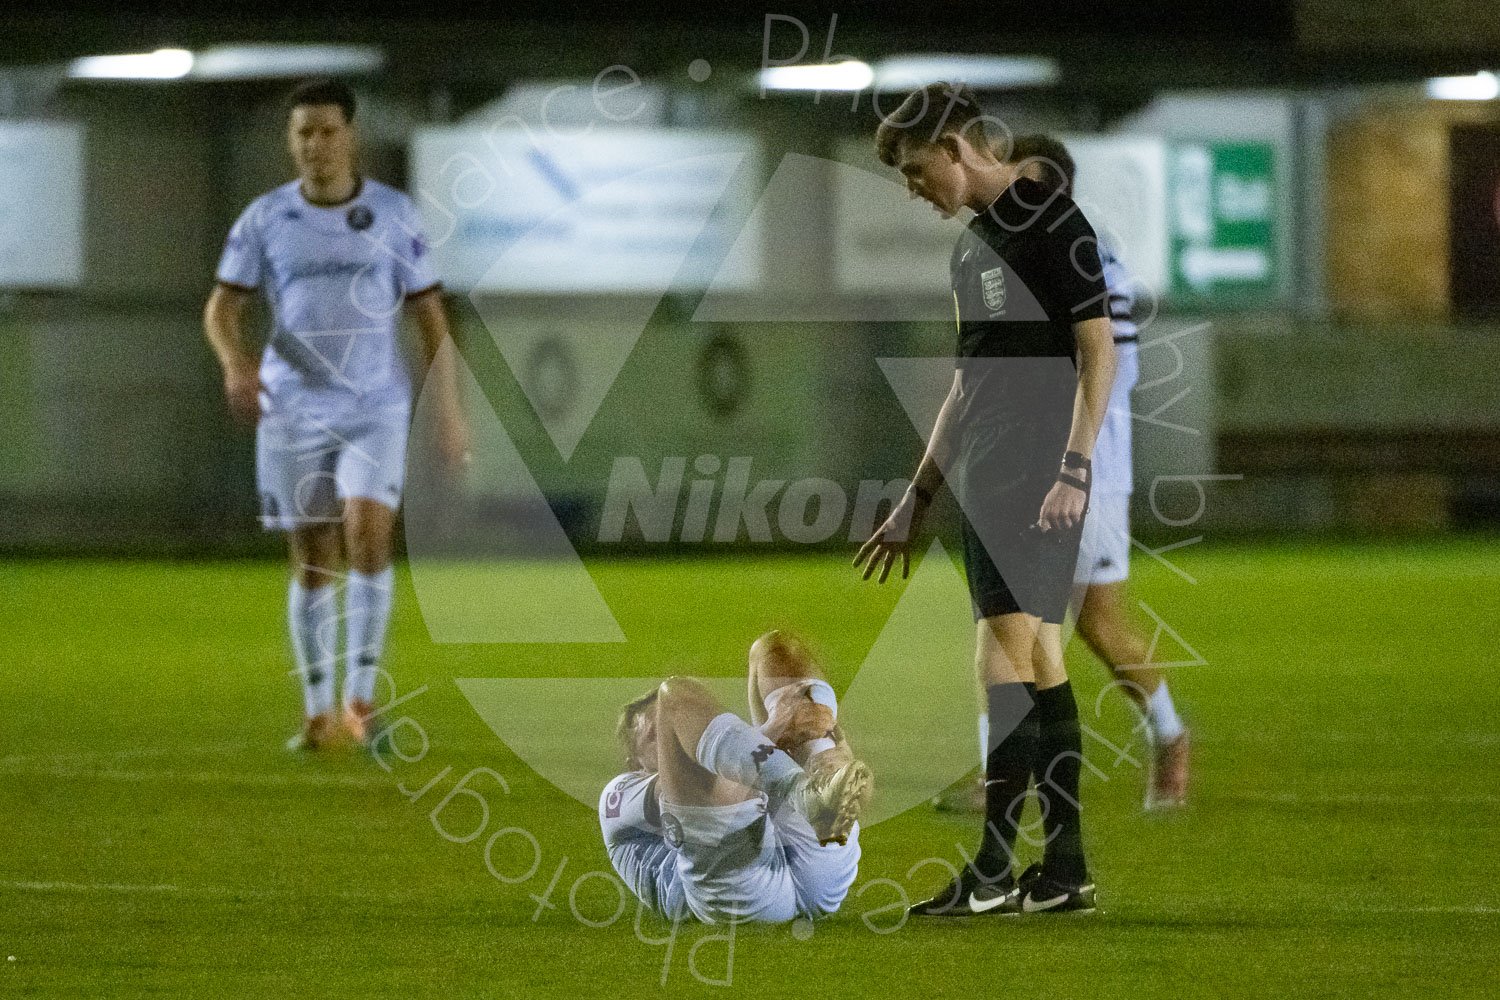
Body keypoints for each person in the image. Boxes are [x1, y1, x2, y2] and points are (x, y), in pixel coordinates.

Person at [856, 84, 1116, 916]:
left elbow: (1097, 349)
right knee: (1035, 657)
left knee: (1004, 659)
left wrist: (1074, 467)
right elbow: (965, 389)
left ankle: (998, 870)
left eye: (915, 169)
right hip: (992, 474)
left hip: (1037, 470)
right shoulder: (972, 250)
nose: (913, 187)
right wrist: (916, 497)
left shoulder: (1054, 222)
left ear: (959, 150)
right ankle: (1061, 869)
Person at [203, 79, 469, 751]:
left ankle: (361, 702)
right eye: (303, 134)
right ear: (290, 142)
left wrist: (450, 414)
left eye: (326, 131)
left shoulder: (393, 214)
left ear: (350, 135)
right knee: (313, 557)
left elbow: (432, 319)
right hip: (292, 407)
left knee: (368, 535)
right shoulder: (265, 219)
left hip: (374, 406)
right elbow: (221, 308)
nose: (314, 144)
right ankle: (317, 712)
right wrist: (236, 363)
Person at [935, 134, 1191, 814]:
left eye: (1028, 184)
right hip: (1027, 468)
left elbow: (1109, 364)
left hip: (1088, 470)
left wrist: (1065, 453)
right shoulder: (1004, 251)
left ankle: (1168, 737)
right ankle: (1008, 783)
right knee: (1013, 625)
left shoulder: (1084, 254)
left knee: (1087, 626)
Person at [600, 631, 872, 924]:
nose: (675, 738)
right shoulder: (619, 794)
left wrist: (797, 725)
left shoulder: (737, 753)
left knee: (776, 650)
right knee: (675, 697)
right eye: (658, 735)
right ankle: (810, 790)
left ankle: (827, 773)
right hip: (736, 889)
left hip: (821, 864)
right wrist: (773, 731)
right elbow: (705, 786)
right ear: (634, 762)